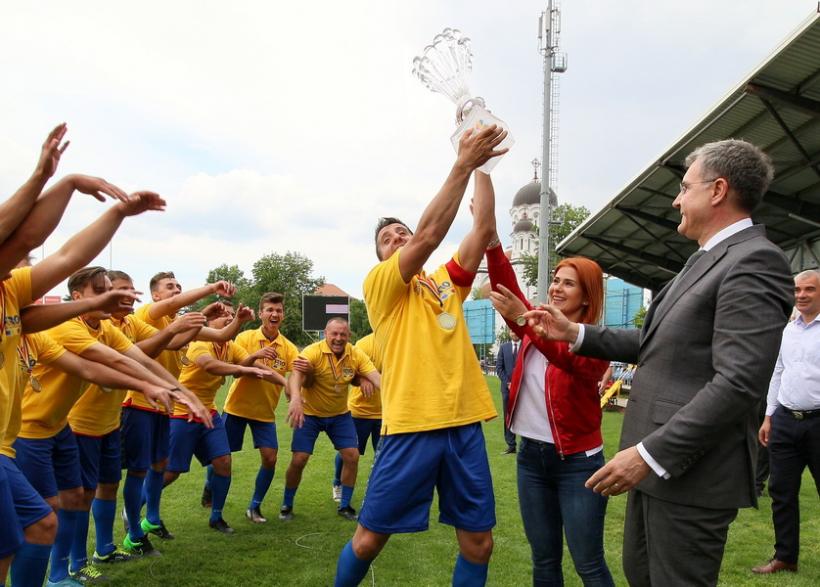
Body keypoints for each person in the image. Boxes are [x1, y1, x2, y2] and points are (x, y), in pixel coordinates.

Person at [522, 139, 793, 586]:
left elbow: (739, 383)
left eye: (685, 187)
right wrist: (575, 333)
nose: (676, 199)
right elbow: (656, 342)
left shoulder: (755, 261)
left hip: (689, 472)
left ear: (718, 190)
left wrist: (650, 455)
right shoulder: (705, 259)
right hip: (658, 467)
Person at [334, 124, 508, 587]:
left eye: (400, 232)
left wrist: (484, 165)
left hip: (464, 422)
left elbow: (484, 230)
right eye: (389, 238)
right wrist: (462, 162)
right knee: (369, 540)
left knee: (479, 543)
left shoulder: (445, 283)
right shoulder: (381, 286)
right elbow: (429, 235)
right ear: (382, 257)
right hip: (412, 424)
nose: (398, 238)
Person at [15, 267, 210, 585]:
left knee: (77, 496)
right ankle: (58, 572)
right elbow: (108, 365)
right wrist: (154, 388)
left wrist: (184, 393)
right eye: (101, 290)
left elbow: (141, 360)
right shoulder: (66, 327)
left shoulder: (105, 326)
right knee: (46, 510)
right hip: (34, 429)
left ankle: (68, 568)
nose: (113, 296)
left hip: (61, 426)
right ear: (77, 297)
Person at [487, 247, 614, 586]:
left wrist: (526, 322)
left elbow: (564, 356)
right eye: (555, 281)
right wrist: (492, 244)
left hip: (578, 465)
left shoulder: (596, 342)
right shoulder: (537, 325)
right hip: (531, 459)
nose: (556, 288)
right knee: (544, 561)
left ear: (587, 298)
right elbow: (506, 290)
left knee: (588, 563)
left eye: (568, 284)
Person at [119, 271, 239, 547]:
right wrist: (211, 288)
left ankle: (152, 518)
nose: (175, 290)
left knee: (161, 466)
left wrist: (238, 319)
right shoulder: (149, 313)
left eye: (178, 286)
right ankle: (133, 525)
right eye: (169, 286)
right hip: (140, 401)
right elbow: (170, 326)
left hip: (165, 405)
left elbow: (220, 333)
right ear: (155, 295)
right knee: (144, 470)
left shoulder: (176, 322)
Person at [163, 303, 284, 534]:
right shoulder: (199, 342)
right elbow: (211, 366)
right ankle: (135, 508)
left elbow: (252, 365)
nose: (228, 318)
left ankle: (216, 516)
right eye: (222, 315)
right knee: (172, 471)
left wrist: (287, 384)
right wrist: (245, 370)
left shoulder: (230, 345)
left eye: (231, 314)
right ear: (209, 323)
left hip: (208, 411)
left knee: (223, 462)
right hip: (183, 411)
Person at [753, 269, 820, 575]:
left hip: (818, 423)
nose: (802, 295)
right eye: (797, 290)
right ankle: (785, 557)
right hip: (784, 420)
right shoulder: (788, 330)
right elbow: (778, 372)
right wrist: (768, 416)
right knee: (781, 491)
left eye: (810, 289)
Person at [282, 318, 380, 522]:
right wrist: (296, 399)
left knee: (352, 456)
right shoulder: (312, 351)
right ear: (325, 333)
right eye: (334, 334)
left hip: (339, 415)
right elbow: (296, 375)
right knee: (299, 459)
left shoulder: (355, 353)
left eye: (343, 334)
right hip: (309, 414)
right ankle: (287, 504)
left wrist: (392, 394)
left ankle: (345, 506)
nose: (338, 338)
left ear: (348, 336)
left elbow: (376, 377)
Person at [219, 292, 299, 523]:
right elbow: (237, 368)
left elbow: (296, 375)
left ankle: (254, 507)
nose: (274, 314)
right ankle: (210, 488)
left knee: (270, 458)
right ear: (261, 313)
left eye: (279, 310)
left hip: (265, 412)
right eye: (270, 310)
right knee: (220, 458)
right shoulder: (245, 338)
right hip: (236, 408)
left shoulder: (288, 347)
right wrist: (255, 356)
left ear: (283, 315)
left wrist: (295, 392)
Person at [332, 332, 382, 503]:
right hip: (360, 412)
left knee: (384, 454)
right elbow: (347, 369)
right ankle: (338, 483)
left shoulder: (399, 343)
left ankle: (376, 490)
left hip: (387, 413)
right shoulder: (364, 344)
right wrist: (361, 378)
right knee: (349, 453)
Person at [494, 331, 520, 455]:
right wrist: (508, 383)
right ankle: (511, 445)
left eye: (515, 330)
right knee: (508, 417)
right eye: (511, 331)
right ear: (509, 333)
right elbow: (499, 368)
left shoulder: (525, 347)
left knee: (525, 415)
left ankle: (528, 446)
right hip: (507, 389)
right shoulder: (504, 348)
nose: (514, 333)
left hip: (523, 389)